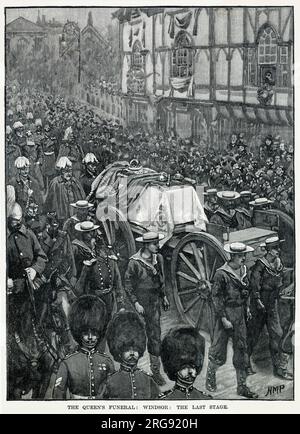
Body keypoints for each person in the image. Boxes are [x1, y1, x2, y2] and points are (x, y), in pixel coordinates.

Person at [205, 242, 258, 399]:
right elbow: (216, 297)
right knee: (218, 350)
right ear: (233, 256)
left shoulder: (243, 270)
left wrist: (247, 308)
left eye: (244, 255)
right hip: (225, 315)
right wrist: (222, 317)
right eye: (241, 256)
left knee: (241, 349)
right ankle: (210, 378)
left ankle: (241, 386)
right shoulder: (221, 274)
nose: (244, 258)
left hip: (239, 314)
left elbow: (246, 291)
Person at [124, 231, 170, 386]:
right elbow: (128, 285)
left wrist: (163, 296)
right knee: (137, 337)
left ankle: (156, 372)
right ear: (145, 245)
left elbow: (161, 280)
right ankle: (132, 371)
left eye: (157, 243)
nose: (157, 246)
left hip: (154, 303)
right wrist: (136, 303)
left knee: (155, 336)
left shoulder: (159, 259)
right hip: (140, 305)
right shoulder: (134, 263)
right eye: (154, 243)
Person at [247, 236, 293, 381]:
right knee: (253, 334)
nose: (278, 251)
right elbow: (254, 284)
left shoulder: (278, 263)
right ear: (268, 250)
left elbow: (280, 279)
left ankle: (279, 368)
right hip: (259, 304)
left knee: (277, 334)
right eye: (274, 249)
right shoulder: (260, 265)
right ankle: (245, 364)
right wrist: (258, 301)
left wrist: (284, 290)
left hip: (272, 303)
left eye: (278, 248)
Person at [52, 295, 115, 399]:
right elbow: (58, 395)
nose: (90, 338)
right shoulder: (67, 363)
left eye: (94, 333)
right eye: (86, 333)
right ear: (79, 333)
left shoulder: (107, 362)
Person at [73, 221, 125, 340]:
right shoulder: (88, 262)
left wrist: (121, 303)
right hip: (95, 301)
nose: (103, 252)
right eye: (99, 250)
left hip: (109, 300)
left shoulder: (111, 262)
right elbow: (79, 288)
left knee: (108, 329)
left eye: (103, 250)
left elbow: (118, 283)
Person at [7, 202, 47, 332]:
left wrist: (35, 269)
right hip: (14, 287)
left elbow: (41, 257)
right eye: (14, 221)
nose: (18, 223)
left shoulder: (29, 235)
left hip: (32, 284)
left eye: (20, 220)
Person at [104, 311, 160, 399]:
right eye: (127, 350)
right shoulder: (111, 381)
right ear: (119, 352)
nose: (132, 353)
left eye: (135, 349)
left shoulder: (148, 379)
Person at [159, 326, 212, 399]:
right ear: (174, 369)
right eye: (184, 367)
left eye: (193, 366)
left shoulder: (206, 399)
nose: (190, 371)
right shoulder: (165, 400)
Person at [44, 157, 85, 224]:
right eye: (65, 171)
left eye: (70, 171)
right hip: (61, 215)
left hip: (74, 214)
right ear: (60, 172)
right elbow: (50, 202)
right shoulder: (55, 183)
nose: (68, 174)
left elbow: (82, 196)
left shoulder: (75, 182)